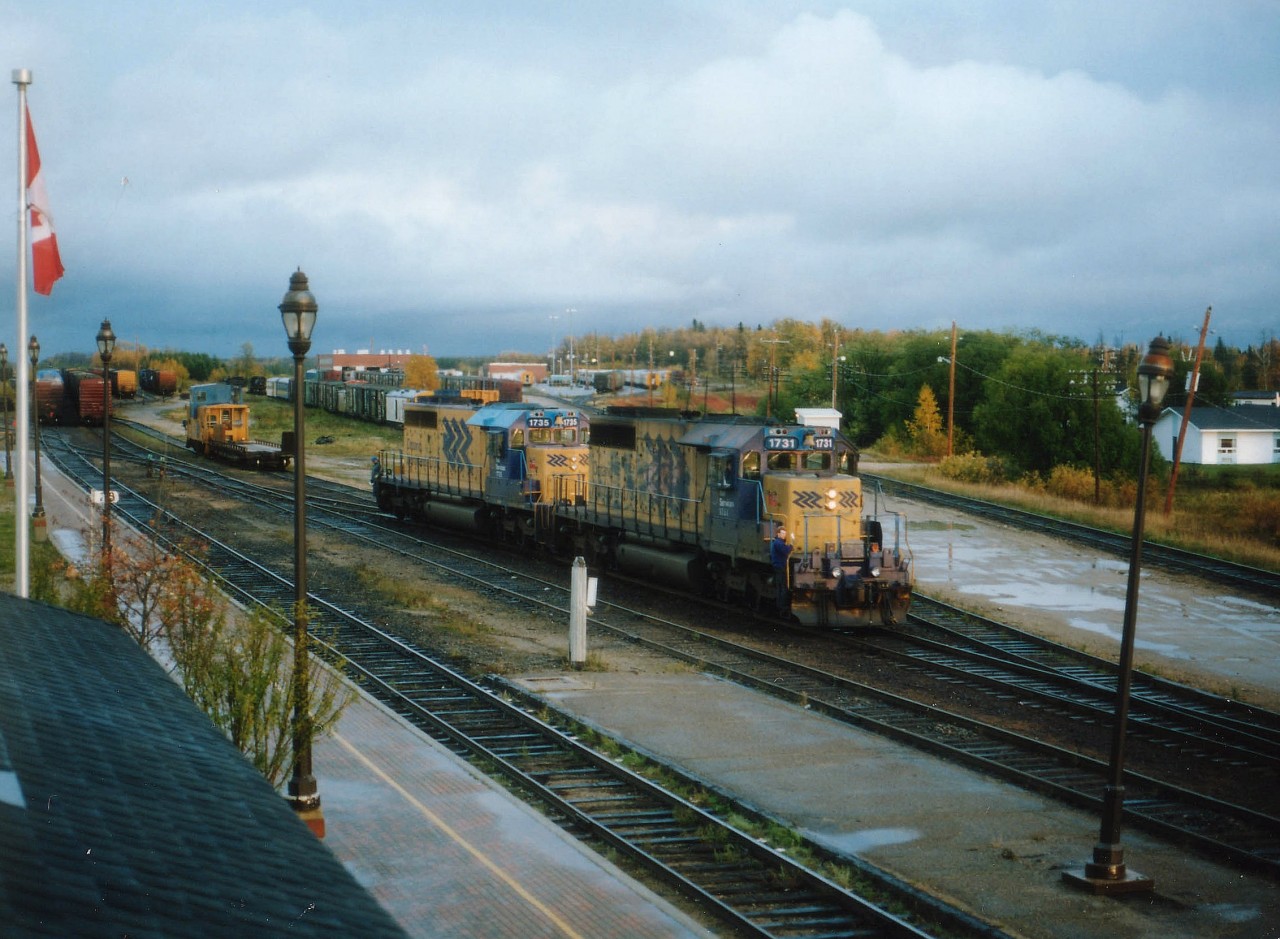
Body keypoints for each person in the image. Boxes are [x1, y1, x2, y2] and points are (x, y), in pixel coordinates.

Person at [770, 527, 792, 612]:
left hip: (779, 566)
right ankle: (781, 605)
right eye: (782, 533)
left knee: (781, 586)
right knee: (782, 586)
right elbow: (786, 550)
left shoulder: (778, 542)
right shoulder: (778, 543)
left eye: (785, 534)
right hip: (780, 567)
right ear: (778, 534)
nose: (784, 535)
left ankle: (780, 605)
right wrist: (791, 546)